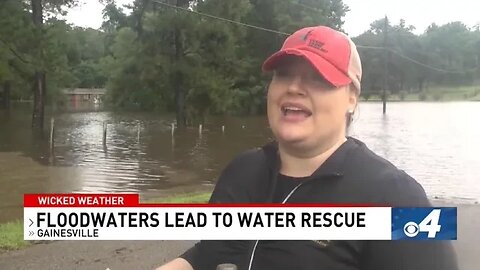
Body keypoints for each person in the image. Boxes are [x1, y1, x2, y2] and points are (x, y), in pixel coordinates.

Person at [156, 26, 458, 270]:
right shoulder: (241, 171)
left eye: (318, 77)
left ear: (352, 97)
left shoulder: (400, 198)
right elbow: (210, 254)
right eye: (284, 74)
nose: (294, 87)